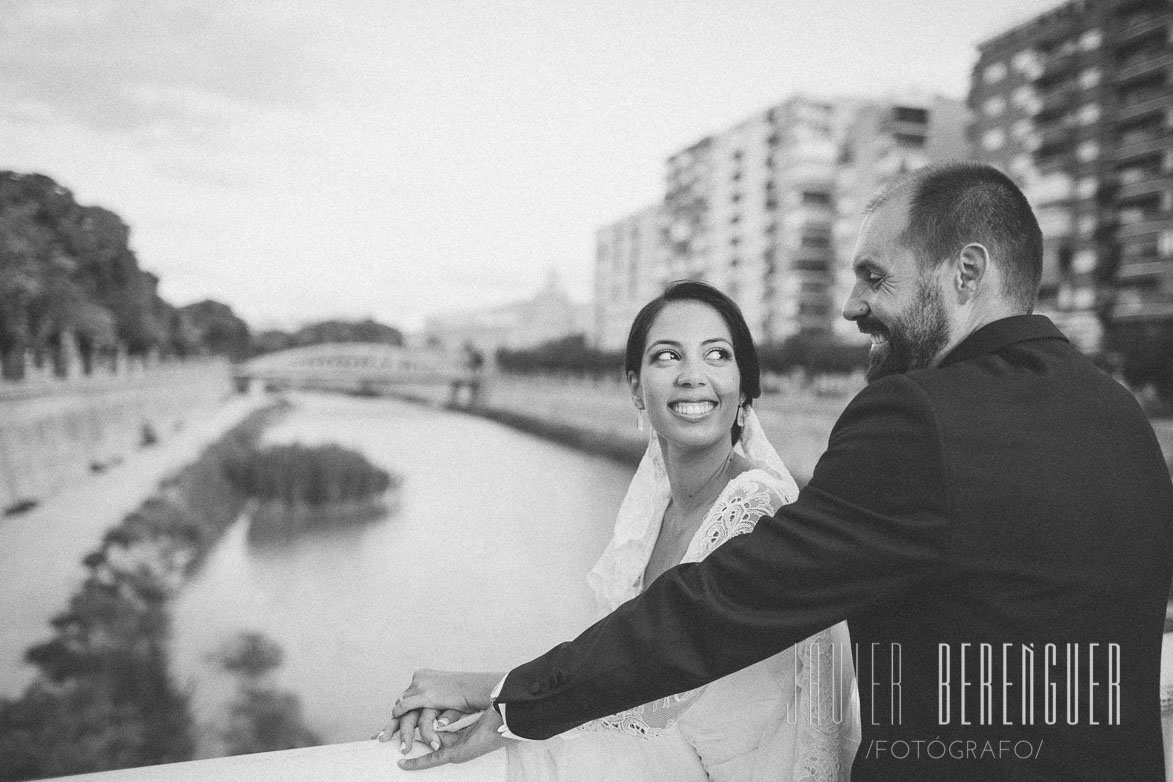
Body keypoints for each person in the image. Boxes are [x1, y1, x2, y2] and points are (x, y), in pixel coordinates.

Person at [386, 162, 1173, 780]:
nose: (850, 307)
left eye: (874, 276)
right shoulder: (1120, 417)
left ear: (965, 274)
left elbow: (722, 604)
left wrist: (508, 697)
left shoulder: (915, 418)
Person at [385, 281, 859, 780]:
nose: (692, 376)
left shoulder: (755, 510)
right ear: (636, 388)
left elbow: (652, 677)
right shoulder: (653, 512)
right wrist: (500, 706)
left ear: (743, 388)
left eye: (717, 355)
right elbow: (609, 664)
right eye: (667, 357)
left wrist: (488, 692)